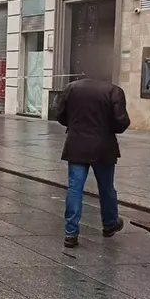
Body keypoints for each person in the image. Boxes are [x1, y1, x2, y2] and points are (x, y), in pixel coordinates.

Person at [55, 74, 130, 248]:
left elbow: (60, 116)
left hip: (77, 145)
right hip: (103, 147)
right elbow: (121, 123)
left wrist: (76, 125)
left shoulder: (71, 88)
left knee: (75, 189)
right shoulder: (114, 91)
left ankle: (70, 233)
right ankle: (110, 223)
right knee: (106, 188)